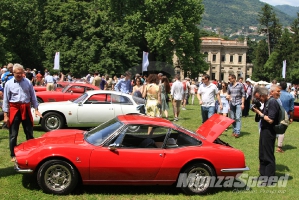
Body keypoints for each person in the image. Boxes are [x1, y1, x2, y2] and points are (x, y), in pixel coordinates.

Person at [2, 64, 42, 162]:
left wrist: (36, 109)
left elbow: (33, 96)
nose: (19, 75)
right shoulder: (9, 84)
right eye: (17, 73)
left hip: (25, 108)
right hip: (14, 109)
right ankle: (13, 154)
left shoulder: (28, 82)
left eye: (21, 73)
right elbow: (5, 100)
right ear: (13, 73)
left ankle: (32, 152)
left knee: (29, 131)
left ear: (23, 73)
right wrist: (5, 115)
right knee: (13, 134)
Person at [252, 85, 280, 184]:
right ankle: (263, 175)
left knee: (268, 155)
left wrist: (259, 112)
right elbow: (262, 117)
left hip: (269, 131)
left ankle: (270, 178)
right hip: (264, 130)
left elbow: (271, 120)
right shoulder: (267, 102)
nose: (258, 99)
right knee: (262, 154)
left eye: (259, 97)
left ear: (263, 95)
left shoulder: (272, 102)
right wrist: (258, 110)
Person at [275, 81, 294, 153]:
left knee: (275, 128)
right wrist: (291, 117)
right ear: (286, 87)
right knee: (281, 131)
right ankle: (279, 147)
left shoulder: (276, 94)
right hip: (285, 115)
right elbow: (292, 108)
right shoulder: (290, 96)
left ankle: (276, 143)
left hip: (276, 113)